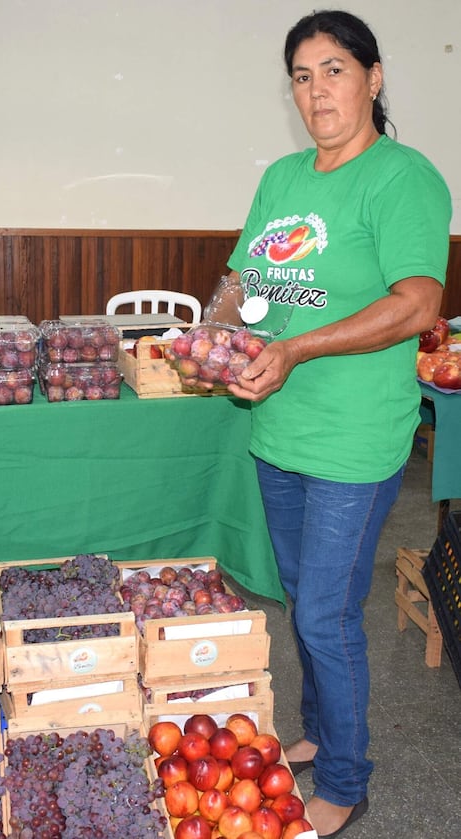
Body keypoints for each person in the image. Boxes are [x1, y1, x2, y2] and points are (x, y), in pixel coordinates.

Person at [219, 10, 452, 839]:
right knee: (308, 600)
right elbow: (242, 282)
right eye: (302, 75)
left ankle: (348, 780)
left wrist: (296, 350)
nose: (317, 91)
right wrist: (212, 337)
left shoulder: (403, 178)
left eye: (335, 71)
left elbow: (418, 303)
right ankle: (319, 730)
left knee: (325, 613)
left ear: (373, 78)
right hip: (279, 432)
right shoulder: (283, 178)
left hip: (354, 440)